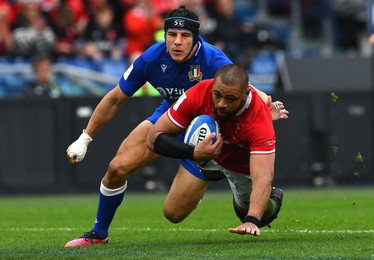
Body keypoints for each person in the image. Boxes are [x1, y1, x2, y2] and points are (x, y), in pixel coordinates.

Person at [64, 5, 288, 247]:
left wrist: (266, 106)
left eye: (184, 36)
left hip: (214, 131)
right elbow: (116, 98)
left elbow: (246, 91)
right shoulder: (152, 57)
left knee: (252, 213)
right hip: (172, 118)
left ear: (195, 38)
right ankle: (99, 234)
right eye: (172, 35)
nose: (177, 42)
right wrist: (85, 137)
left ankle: (227, 174)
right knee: (120, 170)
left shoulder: (214, 60)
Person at [146, 64, 282, 236]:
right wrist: (193, 153)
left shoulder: (259, 119)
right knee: (172, 214)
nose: (221, 103)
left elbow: (263, 178)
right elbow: (153, 138)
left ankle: (275, 197)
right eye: (217, 95)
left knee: (255, 217)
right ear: (213, 86)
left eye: (230, 99)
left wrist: (252, 220)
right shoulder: (200, 92)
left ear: (246, 94)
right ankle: (211, 171)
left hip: (238, 165)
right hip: (205, 155)